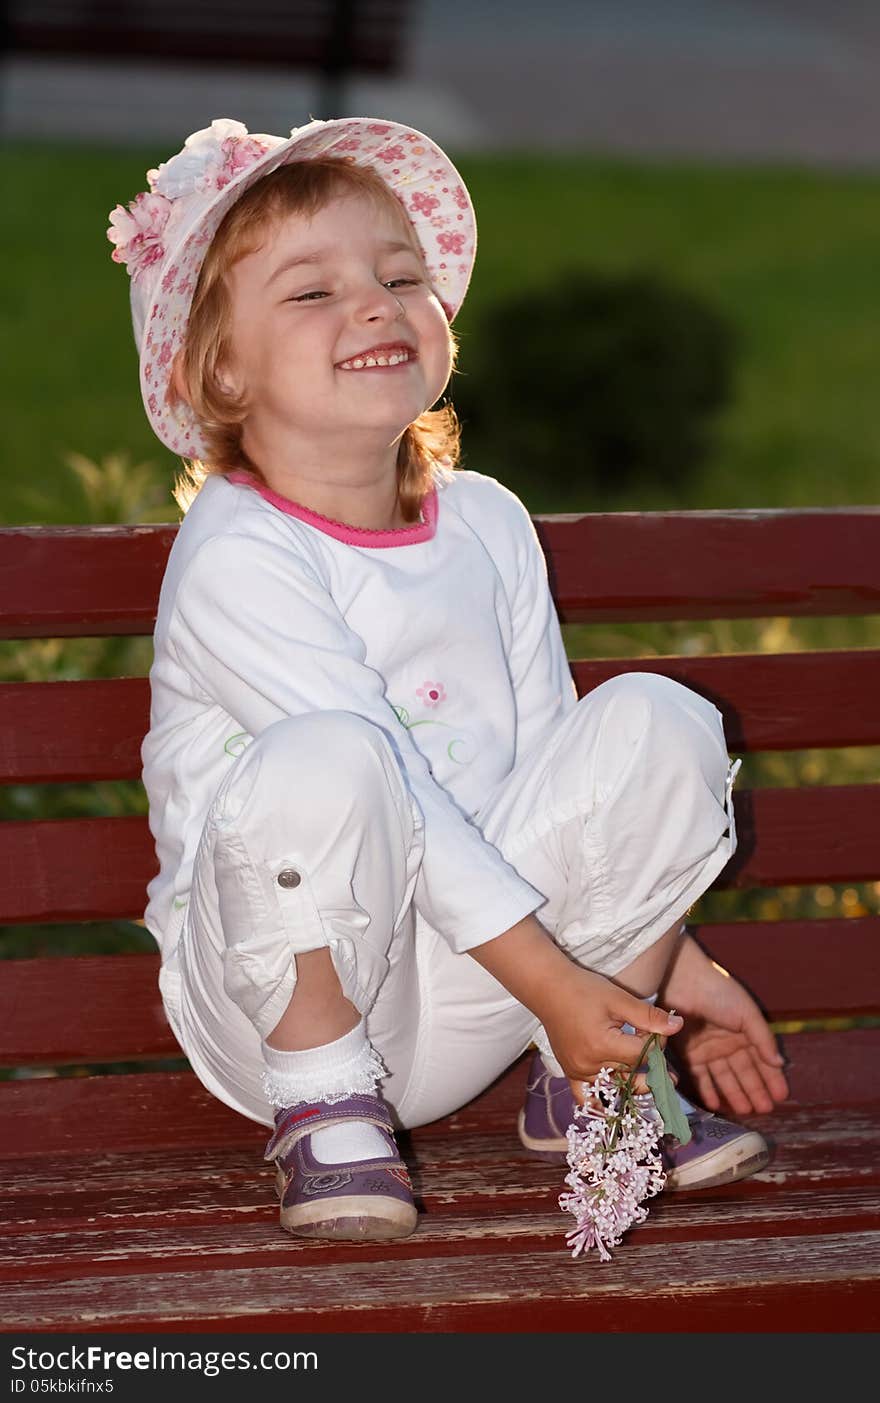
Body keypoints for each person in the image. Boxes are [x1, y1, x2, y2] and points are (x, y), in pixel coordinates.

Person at [107, 116, 789, 1244]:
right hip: (278, 996)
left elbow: (552, 768)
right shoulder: (240, 551)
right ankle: (327, 1110)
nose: (374, 304)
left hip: (483, 986)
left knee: (660, 722)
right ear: (219, 366)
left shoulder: (484, 520)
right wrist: (558, 985)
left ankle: (592, 1084)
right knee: (334, 752)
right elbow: (403, 803)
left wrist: (665, 963)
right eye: (311, 293)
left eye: (398, 274)